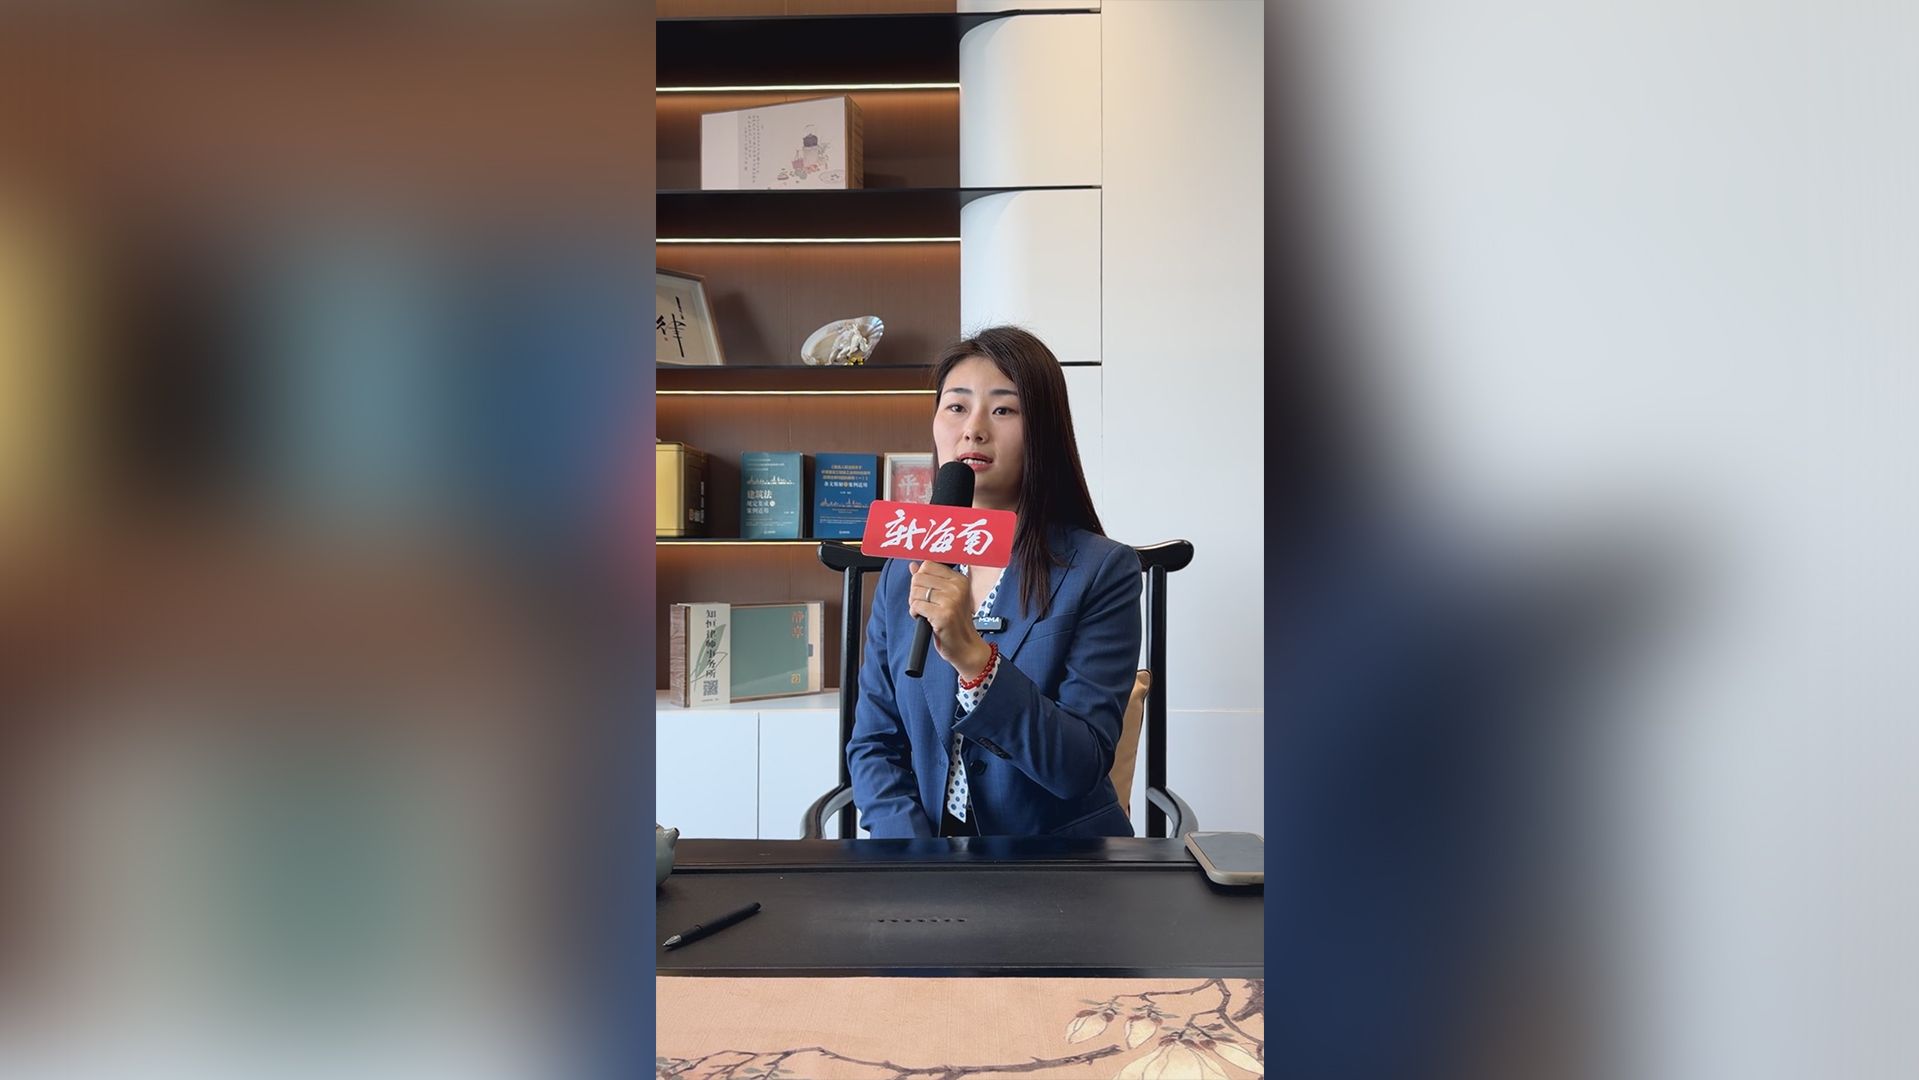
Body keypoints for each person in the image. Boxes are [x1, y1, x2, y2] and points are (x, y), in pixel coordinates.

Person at [847, 326, 1141, 838]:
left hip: (1058, 862)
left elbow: (1078, 768)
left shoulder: (1102, 571)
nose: (973, 429)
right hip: (927, 861)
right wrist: (914, 858)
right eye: (956, 407)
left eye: (1003, 410)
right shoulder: (903, 569)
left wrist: (975, 661)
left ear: (1044, 431)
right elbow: (874, 745)